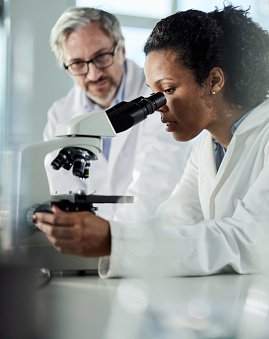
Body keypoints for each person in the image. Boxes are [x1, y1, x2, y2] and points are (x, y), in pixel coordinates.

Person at [33, 5, 269, 297]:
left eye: (167, 90)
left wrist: (114, 239)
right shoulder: (208, 148)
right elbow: (172, 221)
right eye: (153, 92)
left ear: (215, 81)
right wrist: (106, 242)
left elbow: (249, 240)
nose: (158, 106)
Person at [43, 7, 192, 220]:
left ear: (121, 49)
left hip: (151, 234)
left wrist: (114, 237)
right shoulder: (60, 115)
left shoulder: (157, 95)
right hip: (92, 243)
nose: (94, 74)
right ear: (67, 67)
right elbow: (65, 189)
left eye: (101, 57)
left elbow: (156, 179)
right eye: (78, 64)